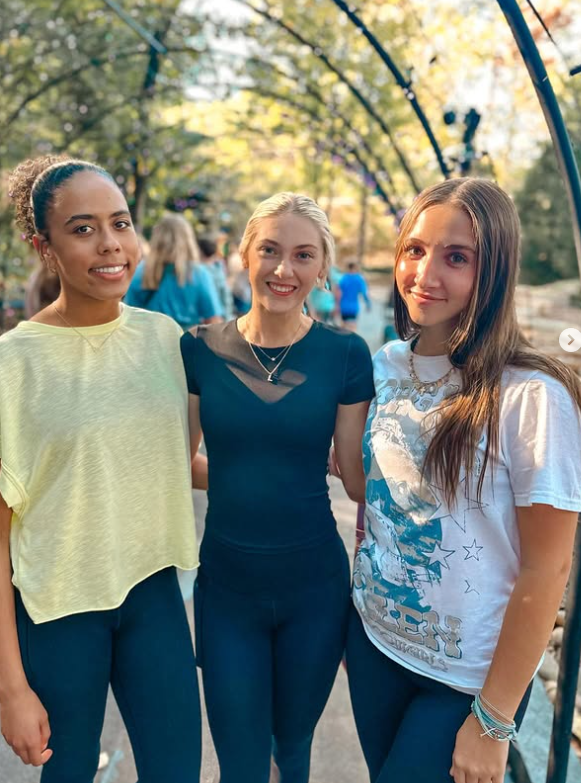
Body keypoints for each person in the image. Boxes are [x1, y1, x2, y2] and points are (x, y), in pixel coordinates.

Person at [0, 155, 203, 783]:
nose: (110, 243)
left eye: (121, 222)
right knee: (68, 774)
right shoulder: (9, 364)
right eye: (83, 228)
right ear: (45, 248)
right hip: (57, 611)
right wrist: (10, 689)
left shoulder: (166, 340)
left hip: (153, 596)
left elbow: (166, 461)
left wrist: (285, 467)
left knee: (176, 771)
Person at [339, 178, 581, 783]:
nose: (425, 274)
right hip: (373, 646)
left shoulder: (531, 396)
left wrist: (494, 720)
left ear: (493, 271)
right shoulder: (386, 365)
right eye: (415, 250)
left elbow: (548, 567)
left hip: (464, 682)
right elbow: (370, 494)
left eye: (456, 258)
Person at [180, 192, 375, 783]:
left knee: (291, 751)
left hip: (313, 592)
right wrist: (247, 476)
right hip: (227, 591)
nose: (284, 269)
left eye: (303, 255)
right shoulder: (200, 348)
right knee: (240, 764)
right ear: (244, 255)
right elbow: (177, 463)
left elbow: (357, 482)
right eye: (269, 250)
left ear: (322, 268)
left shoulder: (346, 354)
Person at [125, 213, 223, 329]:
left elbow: (129, 318)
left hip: (147, 338)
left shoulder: (139, 272)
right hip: (186, 338)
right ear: (188, 239)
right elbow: (213, 320)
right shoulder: (198, 274)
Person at [198, 233, 235, 320]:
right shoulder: (218, 268)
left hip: (209, 320)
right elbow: (226, 296)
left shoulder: (200, 273)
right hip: (221, 318)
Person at [339, 258, 371, 329]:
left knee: (343, 327)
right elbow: (364, 293)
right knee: (352, 327)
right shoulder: (359, 279)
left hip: (344, 306)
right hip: (353, 307)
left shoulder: (343, 278)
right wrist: (368, 304)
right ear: (355, 267)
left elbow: (338, 292)